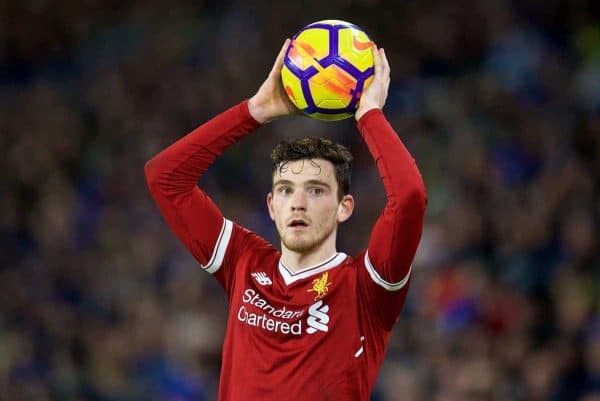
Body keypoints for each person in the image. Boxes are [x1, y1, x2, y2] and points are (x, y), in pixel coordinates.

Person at [145, 38, 427, 401]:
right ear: (271, 206)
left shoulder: (367, 288)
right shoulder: (243, 261)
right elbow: (165, 178)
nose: (297, 203)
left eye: (316, 190)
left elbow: (409, 198)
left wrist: (369, 116)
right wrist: (254, 111)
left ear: (345, 207)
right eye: (285, 190)